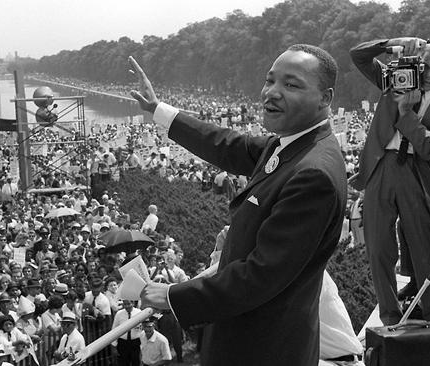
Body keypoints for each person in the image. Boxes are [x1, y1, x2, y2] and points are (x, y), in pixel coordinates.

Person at [131, 44, 347, 365]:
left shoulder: (312, 172)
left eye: (291, 84)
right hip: (248, 334)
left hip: (265, 346)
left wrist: (173, 296)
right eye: (269, 80)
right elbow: (227, 145)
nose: (271, 92)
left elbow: (262, 276)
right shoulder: (290, 144)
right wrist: (159, 110)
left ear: (325, 98)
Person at [349, 37, 430, 326]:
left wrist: (406, 113)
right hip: (380, 167)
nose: (427, 74)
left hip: (417, 172)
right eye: (424, 65)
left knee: (427, 248)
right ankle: (389, 316)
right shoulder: (395, 80)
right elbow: (359, 55)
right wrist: (392, 43)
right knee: (378, 249)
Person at [111, 300, 142, 366]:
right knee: (123, 363)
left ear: (133, 303)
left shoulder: (139, 313)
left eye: (128, 304)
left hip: (136, 343)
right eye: (125, 304)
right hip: (123, 343)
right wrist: (113, 346)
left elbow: (142, 329)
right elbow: (114, 330)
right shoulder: (119, 314)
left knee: (136, 362)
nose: (127, 306)